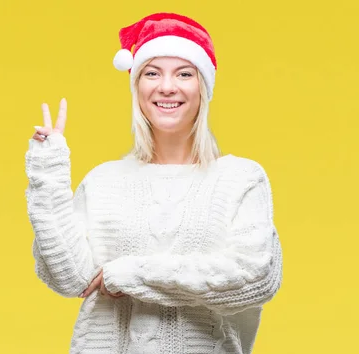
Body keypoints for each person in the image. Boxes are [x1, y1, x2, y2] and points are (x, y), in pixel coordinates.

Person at [24, 12, 283, 354]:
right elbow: (69, 279)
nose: (167, 87)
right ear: (138, 87)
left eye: (184, 73)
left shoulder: (240, 179)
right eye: (152, 73)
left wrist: (132, 274)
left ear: (203, 87)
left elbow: (255, 278)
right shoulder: (104, 181)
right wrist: (48, 173)